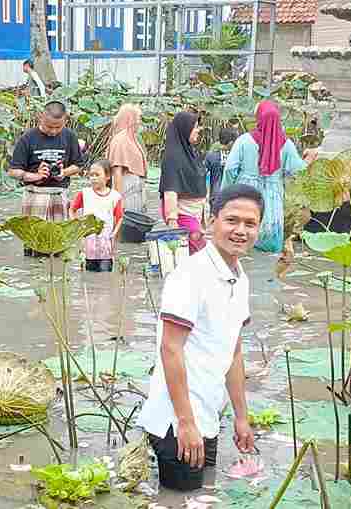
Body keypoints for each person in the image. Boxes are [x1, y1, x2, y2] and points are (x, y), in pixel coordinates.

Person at [137, 184, 262, 492]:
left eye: (250, 224)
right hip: (177, 420)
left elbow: (232, 353)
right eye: (231, 220)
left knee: (203, 492)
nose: (240, 231)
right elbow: (171, 349)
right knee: (181, 497)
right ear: (210, 222)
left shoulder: (239, 278)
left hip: (206, 416)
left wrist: (241, 417)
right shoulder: (189, 276)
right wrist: (185, 422)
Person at [222, 100, 318, 253]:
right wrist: (309, 159)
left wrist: (225, 194)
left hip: (245, 193)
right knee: (268, 242)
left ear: (258, 117)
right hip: (273, 196)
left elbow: (230, 169)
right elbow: (299, 172)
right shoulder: (286, 145)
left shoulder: (244, 140)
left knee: (240, 233)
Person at [8, 100, 84, 256]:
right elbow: (13, 171)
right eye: (50, 126)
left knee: (58, 244)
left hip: (58, 194)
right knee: (34, 244)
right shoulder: (28, 138)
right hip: (34, 194)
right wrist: (35, 175)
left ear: (65, 120)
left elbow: (78, 165)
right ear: (41, 117)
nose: (54, 131)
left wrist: (64, 172)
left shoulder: (70, 137)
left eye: (58, 127)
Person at [159, 112, 207, 254]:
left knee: (195, 254)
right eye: (195, 127)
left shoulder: (191, 153)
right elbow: (170, 190)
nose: (198, 130)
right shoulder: (173, 158)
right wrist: (173, 221)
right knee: (199, 252)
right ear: (185, 129)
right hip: (181, 213)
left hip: (194, 213)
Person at [69, 159, 123, 272]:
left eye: (97, 175)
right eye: (91, 175)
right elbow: (72, 210)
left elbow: (119, 218)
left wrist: (114, 234)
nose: (93, 178)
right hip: (88, 243)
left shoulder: (115, 196)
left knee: (105, 275)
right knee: (89, 275)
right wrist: (77, 227)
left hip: (106, 242)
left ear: (107, 176)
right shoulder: (84, 194)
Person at [107, 104, 147, 213]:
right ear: (130, 118)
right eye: (138, 118)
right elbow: (117, 172)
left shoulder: (132, 139)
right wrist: (119, 200)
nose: (139, 122)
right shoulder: (120, 140)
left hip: (135, 189)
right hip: (126, 189)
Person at [206, 127, 239, 205]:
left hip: (215, 195)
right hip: (232, 195)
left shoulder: (211, 156)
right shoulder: (237, 157)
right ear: (231, 143)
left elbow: (203, 174)